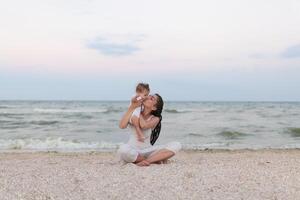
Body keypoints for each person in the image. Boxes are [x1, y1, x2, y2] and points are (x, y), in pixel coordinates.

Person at [118, 93, 181, 166]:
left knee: (176, 145)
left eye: (151, 98)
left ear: (154, 107)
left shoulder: (155, 118)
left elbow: (144, 125)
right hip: (133, 149)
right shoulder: (133, 112)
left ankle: (145, 161)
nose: (147, 97)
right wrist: (132, 106)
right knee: (123, 149)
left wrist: (138, 111)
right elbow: (122, 126)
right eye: (149, 96)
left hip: (148, 150)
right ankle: (154, 160)